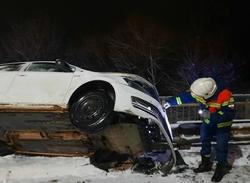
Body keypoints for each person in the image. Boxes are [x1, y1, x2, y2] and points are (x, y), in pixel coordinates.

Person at [164, 77, 235, 182]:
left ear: (208, 94)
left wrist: (212, 115)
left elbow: (230, 114)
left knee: (221, 146)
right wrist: (170, 102)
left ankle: (221, 166)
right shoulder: (202, 91)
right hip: (207, 122)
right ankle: (206, 163)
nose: (198, 98)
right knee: (204, 140)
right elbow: (186, 97)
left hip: (223, 126)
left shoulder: (226, 95)